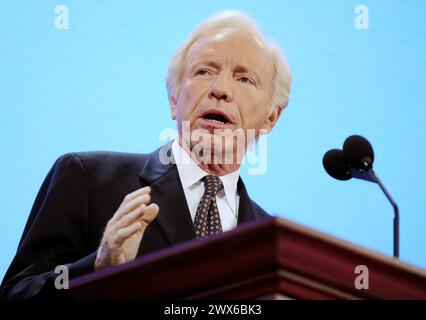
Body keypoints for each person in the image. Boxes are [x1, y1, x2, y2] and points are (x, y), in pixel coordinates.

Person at [0, 10, 291, 299]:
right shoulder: (87, 178)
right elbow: (16, 295)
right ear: (174, 99)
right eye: (204, 71)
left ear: (271, 118)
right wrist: (97, 268)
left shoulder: (270, 243)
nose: (221, 89)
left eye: (244, 79)